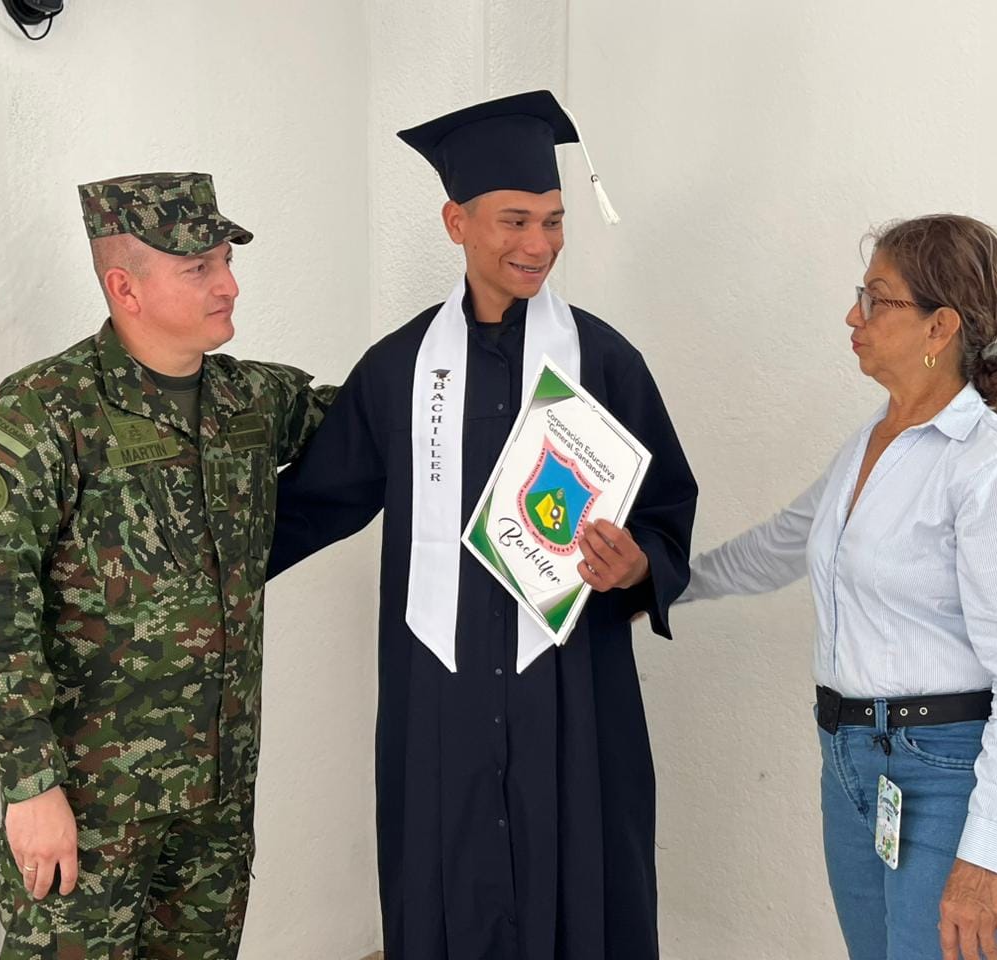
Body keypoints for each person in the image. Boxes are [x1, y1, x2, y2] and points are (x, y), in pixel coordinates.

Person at [266, 90, 698, 960]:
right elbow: (315, 503)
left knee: (581, 886)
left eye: (553, 220)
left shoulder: (605, 362)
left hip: (571, 685)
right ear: (455, 222)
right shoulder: (399, 371)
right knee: (447, 885)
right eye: (514, 220)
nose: (538, 245)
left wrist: (637, 565)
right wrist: (187, 570)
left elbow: (666, 513)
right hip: (445, 690)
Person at [0, 172, 334, 959]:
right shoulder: (43, 414)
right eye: (200, 269)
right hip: (89, 802)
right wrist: (31, 786)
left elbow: (375, 425)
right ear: (126, 287)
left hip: (215, 799)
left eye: (225, 261)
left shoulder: (248, 403)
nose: (229, 285)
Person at [680, 214, 997, 960]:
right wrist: (655, 585)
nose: (853, 316)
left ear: (940, 325)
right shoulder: (870, 442)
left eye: (877, 299)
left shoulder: (987, 465)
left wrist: (986, 857)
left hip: (946, 773)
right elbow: (778, 547)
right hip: (850, 765)